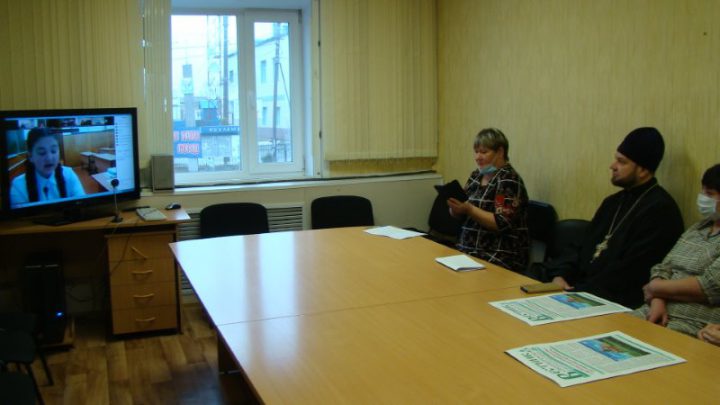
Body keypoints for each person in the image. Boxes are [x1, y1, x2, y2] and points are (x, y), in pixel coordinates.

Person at [528, 127, 684, 308]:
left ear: (642, 170)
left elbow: (631, 274)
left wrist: (576, 291)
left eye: (621, 162)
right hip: (580, 286)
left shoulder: (660, 211)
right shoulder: (613, 202)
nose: (612, 166)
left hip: (614, 296)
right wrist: (561, 275)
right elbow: (581, 247)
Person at [632, 164, 720, 338]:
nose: (703, 198)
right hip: (654, 309)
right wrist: (657, 300)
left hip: (692, 324)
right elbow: (664, 267)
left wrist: (655, 288)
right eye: (702, 191)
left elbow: (709, 287)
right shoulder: (699, 227)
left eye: (710, 194)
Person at [447, 128, 530, 273]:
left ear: (500, 152)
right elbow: (461, 211)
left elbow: (501, 223)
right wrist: (455, 209)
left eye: (484, 152)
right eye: (476, 152)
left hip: (497, 255)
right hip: (467, 251)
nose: (477, 157)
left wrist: (469, 209)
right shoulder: (476, 176)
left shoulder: (508, 180)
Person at [10, 127, 85, 207]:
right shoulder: (18, 186)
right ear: (30, 156)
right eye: (42, 153)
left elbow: (82, 205)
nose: (49, 158)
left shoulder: (69, 174)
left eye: (53, 151)